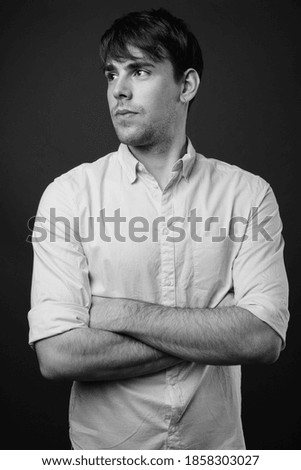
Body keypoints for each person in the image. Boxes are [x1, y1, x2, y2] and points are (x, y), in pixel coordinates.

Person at [28, 8, 289, 450]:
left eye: (140, 70)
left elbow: (262, 338)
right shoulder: (67, 196)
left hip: (215, 452)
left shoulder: (249, 196)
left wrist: (117, 314)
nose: (119, 91)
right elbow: (57, 355)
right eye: (111, 75)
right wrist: (216, 330)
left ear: (186, 85)